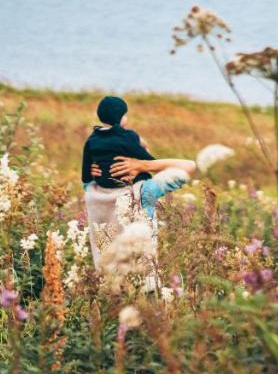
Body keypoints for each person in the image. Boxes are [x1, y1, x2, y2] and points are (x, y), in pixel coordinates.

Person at [82, 95, 196, 268]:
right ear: (121, 117)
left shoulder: (92, 191)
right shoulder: (144, 191)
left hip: (108, 282)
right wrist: (145, 164)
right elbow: (188, 167)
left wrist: (95, 172)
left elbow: (85, 179)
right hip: (142, 281)